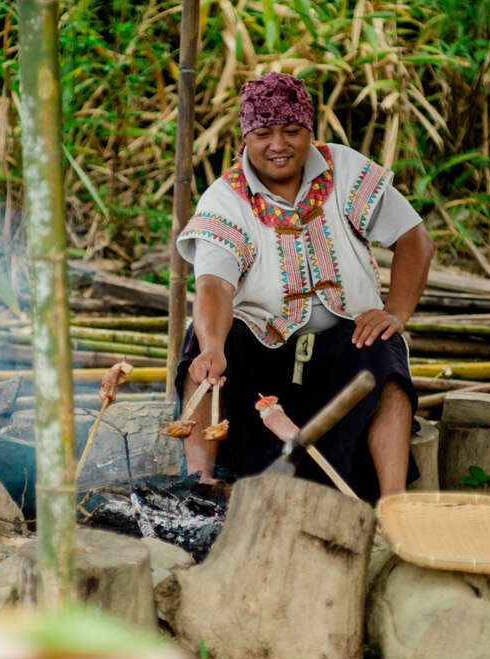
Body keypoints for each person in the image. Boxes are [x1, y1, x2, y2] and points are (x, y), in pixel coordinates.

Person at [174, 72, 434, 502]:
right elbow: (215, 285)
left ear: (309, 130)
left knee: (384, 347)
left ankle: (394, 501)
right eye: (263, 133)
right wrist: (213, 344)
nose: (278, 145)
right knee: (204, 351)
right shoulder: (225, 199)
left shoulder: (345, 169)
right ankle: (201, 483)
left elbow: (415, 240)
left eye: (291, 131)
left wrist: (396, 313)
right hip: (262, 354)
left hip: (345, 345)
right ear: (246, 137)